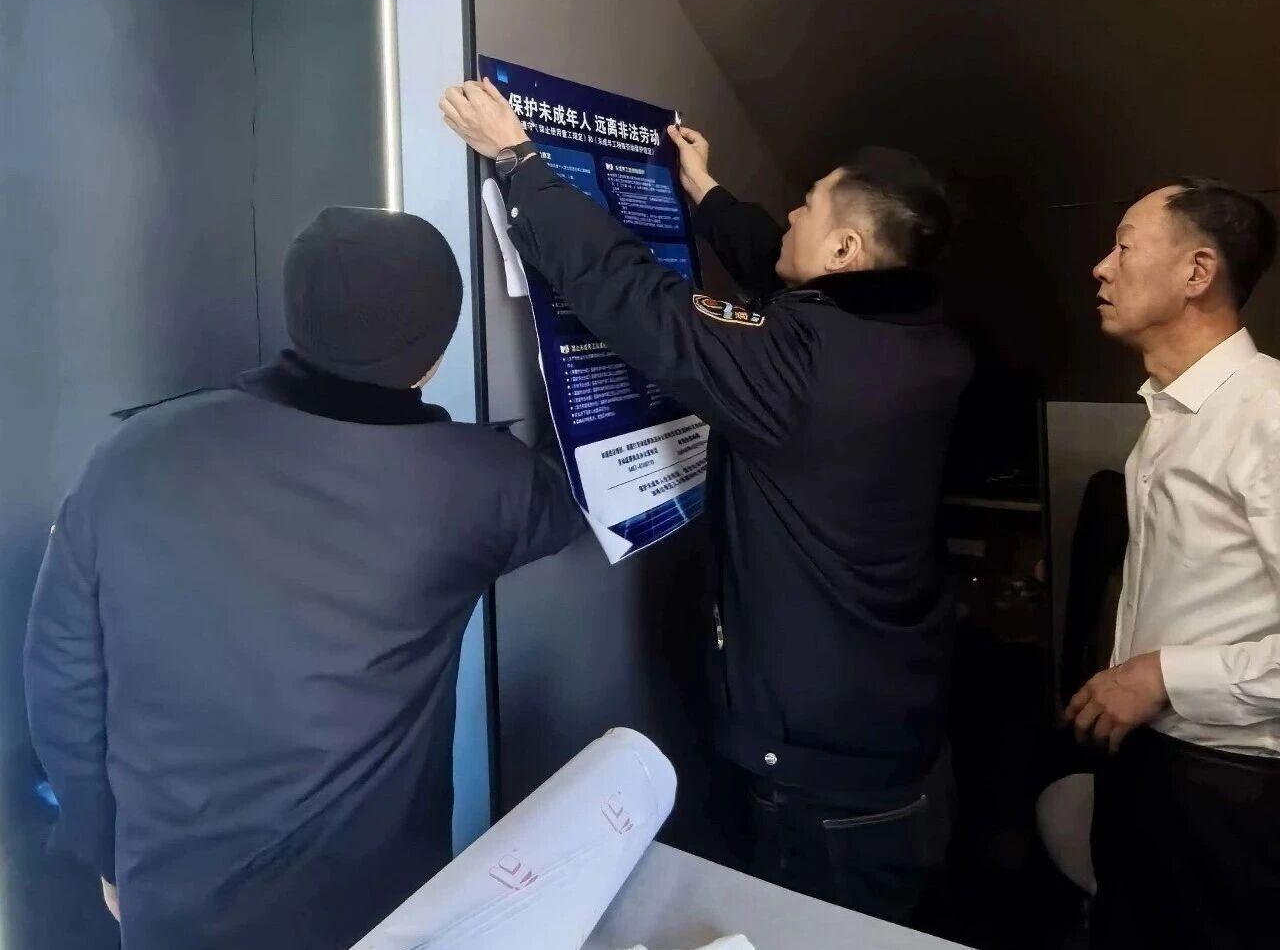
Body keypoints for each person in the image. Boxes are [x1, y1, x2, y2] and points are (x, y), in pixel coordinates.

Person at [441, 79, 973, 923]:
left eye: (807, 205)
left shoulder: (804, 372)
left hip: (823, 782)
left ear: (843, 249)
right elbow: (795, 272)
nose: (790, 214)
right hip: (897, 730)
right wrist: (709, 193)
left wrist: (520, 160)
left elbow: (641, 299)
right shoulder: (925, 341)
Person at [24, 206, 584, 950]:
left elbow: (61, 678)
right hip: (369, 914)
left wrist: (108, 850)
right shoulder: (479, 484)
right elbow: (584, 492)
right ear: (433, 353)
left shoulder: (134, 452)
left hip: (173, 909)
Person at [1067, 178, 1279, 949]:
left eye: (1124, 246)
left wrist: (1162, 674)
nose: (1101, 267)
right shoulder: (1169, 415)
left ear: (1197, 272)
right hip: (1149, 770)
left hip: (1230, 793)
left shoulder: (1268, 415)